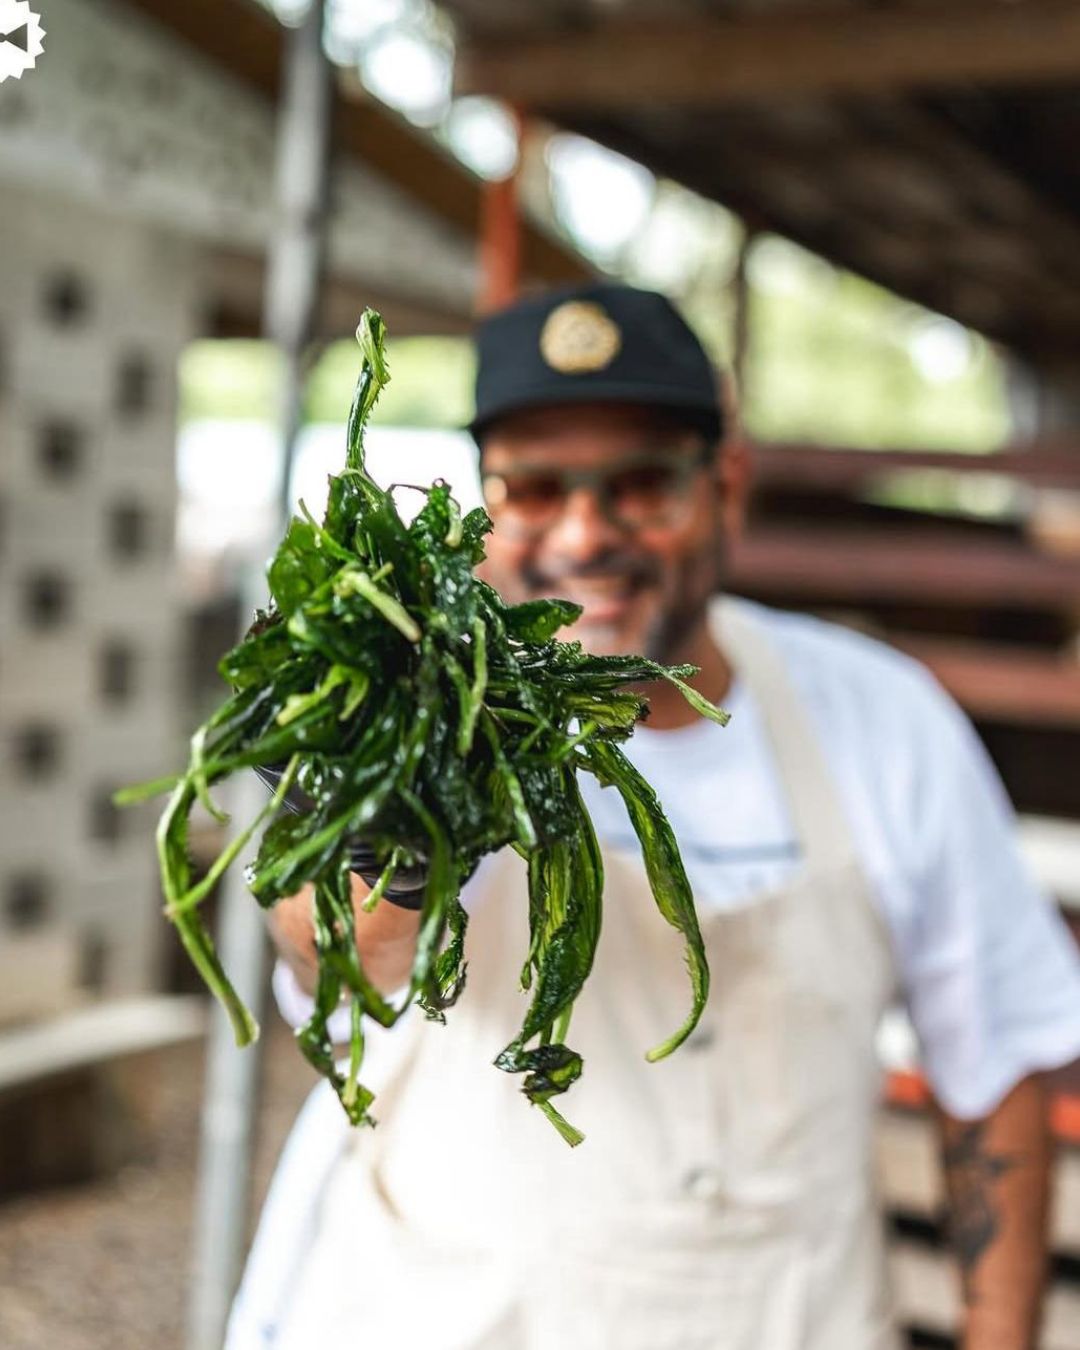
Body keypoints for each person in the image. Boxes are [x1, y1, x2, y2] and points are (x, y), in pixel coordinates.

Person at [228, 283, 1080, 1350]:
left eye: (639, 485)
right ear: (483, 498)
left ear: (724, 484)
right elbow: (335, 966)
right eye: (535, 490)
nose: (586, 535)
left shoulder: (882, 719)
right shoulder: (432, 713)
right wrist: (373, 833)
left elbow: (995, 1061)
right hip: (447, 1315)